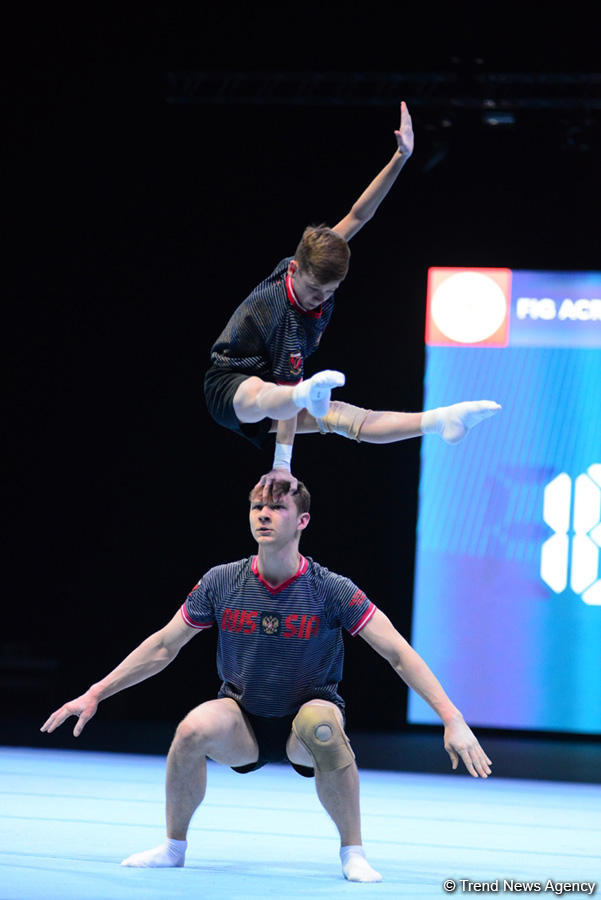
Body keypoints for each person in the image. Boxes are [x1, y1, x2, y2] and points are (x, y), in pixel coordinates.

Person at [41, 479, 492, 883]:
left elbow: (397, 651)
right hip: (243, 719)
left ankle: (353, 852)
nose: (263, 513)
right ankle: (173, 847)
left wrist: (451, 718)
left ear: (303, 520)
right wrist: (96, 692)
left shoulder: (330, 588)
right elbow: (163, 647)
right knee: (191, 729)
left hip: (306, 719)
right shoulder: (222, 582)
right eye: (257, 505)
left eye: (276, 507)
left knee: (323, 726)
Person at [203, 101, 501, 491]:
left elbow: (360, 215)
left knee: (348, 418)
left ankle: (440, 420)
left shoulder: (314, 258)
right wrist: (282, 465)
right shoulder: (280, 312)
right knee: (263, 396)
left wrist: (400, 157)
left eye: (329, 293)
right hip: (230, 387)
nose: (317, 300)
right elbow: (286, 398)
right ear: (293, 270)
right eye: (312, 291)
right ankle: (311, 392)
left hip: (288, 392)